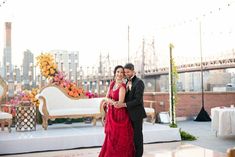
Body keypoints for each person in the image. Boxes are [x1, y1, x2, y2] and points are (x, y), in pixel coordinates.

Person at [98, 65, 135, 157]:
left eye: (122, 72)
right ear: (115, 73)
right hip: (111, 113)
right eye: (118, 72)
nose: (119, 74)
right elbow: (106, 97)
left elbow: (119, 103)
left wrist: (108, 101)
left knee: (119, 138)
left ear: (123, 75)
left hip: (120, 115)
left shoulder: (122, 87)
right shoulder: (112, 84)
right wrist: (109, 101)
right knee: (110, 137)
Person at [115, 63, 146, 157]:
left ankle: (138, 155)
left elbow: (137, 100)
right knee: (130, 136)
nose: (126, 74)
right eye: (125, 72)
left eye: (128, 72)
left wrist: (123, 105)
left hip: (137, 114)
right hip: (128, 114)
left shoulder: (139, 82)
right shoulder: (125, 82)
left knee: (137, 137)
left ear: (133, 71)